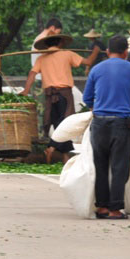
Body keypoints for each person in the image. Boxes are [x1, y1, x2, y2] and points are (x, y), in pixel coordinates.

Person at [83, 34, 130, 220]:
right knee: (119, 167)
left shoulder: (96, 69)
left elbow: (87, 99)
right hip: (121, 124)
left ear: (107, 51)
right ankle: (115, 209)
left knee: (100, 165)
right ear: (126, 52)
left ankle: (101, 207)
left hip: (100, 123)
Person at [21, 32, 100, 163]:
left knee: (58, 124)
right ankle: (53, 149)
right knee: (65, 124)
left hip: (49, 97)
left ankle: (60, 154)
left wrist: (26, 90)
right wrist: (96, 51)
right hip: (64, 95)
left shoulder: (42, 58)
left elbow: (32, 74)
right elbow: (88, 62)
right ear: (60, 43)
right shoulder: (67, 54)